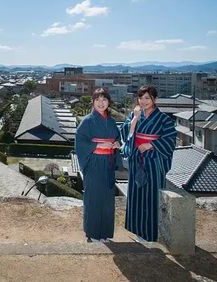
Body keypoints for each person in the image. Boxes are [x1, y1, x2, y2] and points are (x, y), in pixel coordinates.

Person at [121, 85, 176, 242]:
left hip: (153, 162)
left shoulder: (164, 119)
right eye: (140, 98)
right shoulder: (135, 115)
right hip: (137, 160)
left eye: (147, 98)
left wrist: (151, 144)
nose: (143, 101)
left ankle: (151, 234)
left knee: (151, 197)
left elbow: (170, 140)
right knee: (136, 196)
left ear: (155, 99)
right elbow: (125, 134)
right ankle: (138, 231)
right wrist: (134, 119)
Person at [75, 88, 122, 242]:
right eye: (97, 100)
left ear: (109, 102)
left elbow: (118, 137)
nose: (101, 103)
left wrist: (117, 143)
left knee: (107, 199)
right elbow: (80, 142)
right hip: (94, 162)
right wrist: (98, 145)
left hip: (108, 163)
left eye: (104, 100)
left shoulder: (111, 121)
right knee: (94, 198)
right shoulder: (87, 121)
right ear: (93, 102)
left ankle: (105, 233)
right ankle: (93, 233)